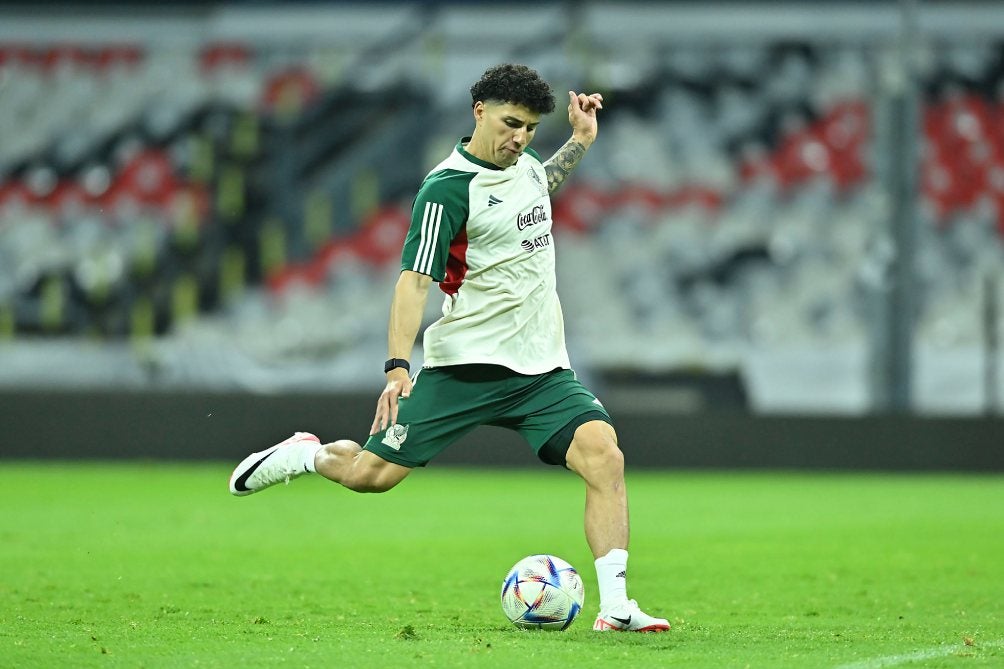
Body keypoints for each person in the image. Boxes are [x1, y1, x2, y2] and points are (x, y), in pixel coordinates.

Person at [229, 63, 670, 633]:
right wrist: (396, 368)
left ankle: (615, 608)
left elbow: (538, 187)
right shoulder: (446, 189)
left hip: (541, 370)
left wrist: (579, 141)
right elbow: (413, 281)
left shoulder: (528, 164)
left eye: (532, 128)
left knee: (604, 456)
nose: (521, 138)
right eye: (512, 124)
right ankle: (304, 454)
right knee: (371, 476)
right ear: (478, 111)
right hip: (464, 368)